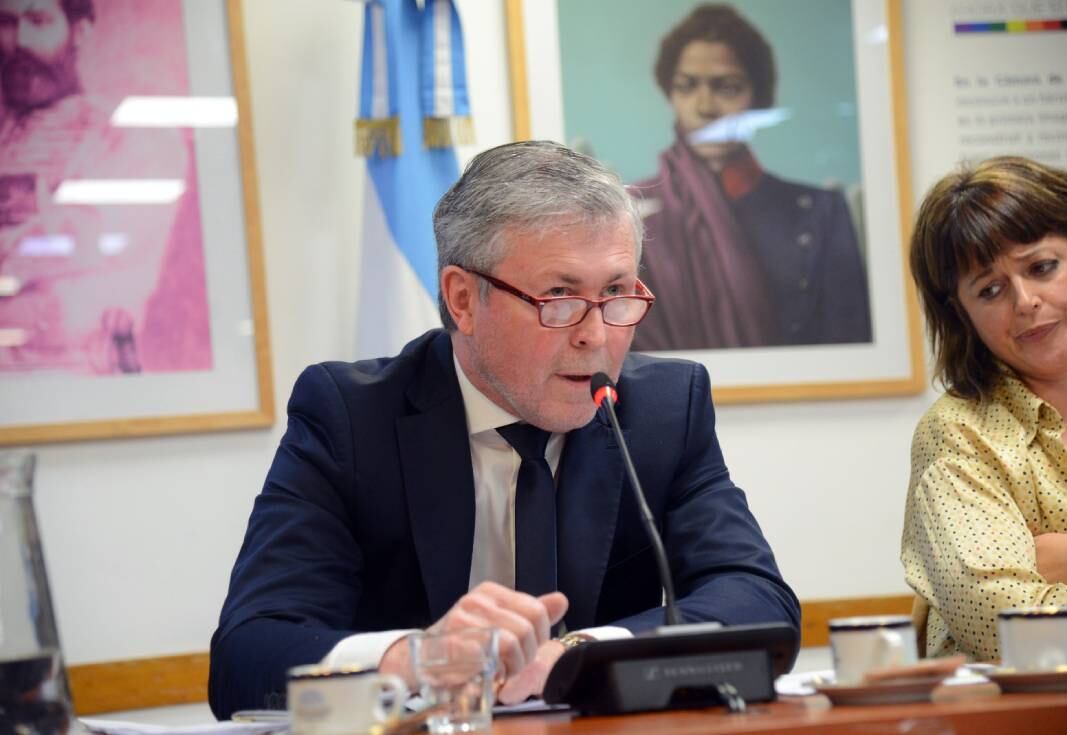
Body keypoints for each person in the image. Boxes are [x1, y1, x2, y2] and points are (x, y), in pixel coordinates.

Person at [209, 140, 800, 717]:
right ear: (463, 300)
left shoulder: (664, 411)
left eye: (617, 292)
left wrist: (583, 652)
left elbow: (759, 603)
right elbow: (247, 655)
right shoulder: (351, 419)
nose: (595, 335)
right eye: (559, 296)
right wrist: (418, 658)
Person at [901, 156, 1067, 661]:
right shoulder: (957, 435)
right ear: (961, 315)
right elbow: (1001, 625)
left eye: (1041, 267)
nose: (1025, 300)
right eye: (989, 289)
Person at [631, 3, 872, 351]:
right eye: (686, 86)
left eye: (726, 88)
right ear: (670, 94)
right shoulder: (633, 210)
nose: (704, 106)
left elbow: (849, 345)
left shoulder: (819, 212)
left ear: (758, 97)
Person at [0, 0, 201, 374]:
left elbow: (76, 248)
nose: (20, 41)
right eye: (7, 23)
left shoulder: (131, 137)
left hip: (79, 381)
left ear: (80, 31)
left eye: (39, 21)